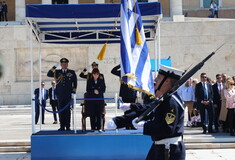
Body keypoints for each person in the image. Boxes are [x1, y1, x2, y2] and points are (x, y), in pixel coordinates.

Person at [108, 65, 186, 160]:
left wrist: (145, 126)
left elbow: (167, 128)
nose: (155, 80)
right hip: (160, 147)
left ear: (167, 81)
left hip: (169, 150)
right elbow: (148, 109)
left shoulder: (171, 101)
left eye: (158, 78)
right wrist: (121, 119)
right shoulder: (165, 98)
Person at [47, 58, 77, 131]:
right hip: (60, 95)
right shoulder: (57, 72)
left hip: (68, 94)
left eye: (65, 64)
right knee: (60, 110)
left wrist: (73, 92)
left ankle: (68, 126)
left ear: (67, 64)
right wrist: (54, 66)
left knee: (67, 111)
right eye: (63, 64)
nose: (64, 65)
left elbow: (75, 83)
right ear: (61, 65)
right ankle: (62, 126)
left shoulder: (71, 72)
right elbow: (49, 74)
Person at [111, 64, 137, 129]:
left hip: (132, 93)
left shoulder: (134, 72)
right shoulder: (122, 73)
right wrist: (121, 65)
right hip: (125, 93)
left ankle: (131, 124)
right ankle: (127, 124)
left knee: (132, 110)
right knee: (126, 110)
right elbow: (113, 71)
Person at [86, 68, 106, 132]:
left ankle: (99, 127)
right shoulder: (89, 81)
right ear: (92, 74)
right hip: (92, 100)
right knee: (92, 114)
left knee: (99, 114)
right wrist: (93, 91)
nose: (95, 75)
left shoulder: (101, 81)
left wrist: (99, 91)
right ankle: (93, 127)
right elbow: (87, 89)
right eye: (94, 74)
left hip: (99, 100)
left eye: (97, 74)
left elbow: (104, 89)